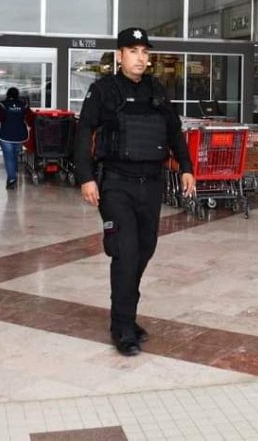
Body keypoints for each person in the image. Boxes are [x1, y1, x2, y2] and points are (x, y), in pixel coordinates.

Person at [74, 27, 196, 357]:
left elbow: (174, 131)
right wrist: (86, 177)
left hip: (151, 184)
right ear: (120, 56)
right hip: (116, 184)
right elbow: (84, 132)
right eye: (133, 51)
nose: (140, 58)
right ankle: (122, 326)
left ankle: (126, 314)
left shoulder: (156, 90)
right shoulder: (103, 90)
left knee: (145, 249)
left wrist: (186, 166)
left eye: (144, 51)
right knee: (125, 252)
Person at [0, 87, 31, 189]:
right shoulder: (23, 105)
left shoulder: (2, 105)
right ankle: (13, 174)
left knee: (8, 157)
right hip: (20, 135)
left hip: (5, 134)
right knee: (14, 155)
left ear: (7, 94)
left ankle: (12, 179)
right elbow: (28, 117)